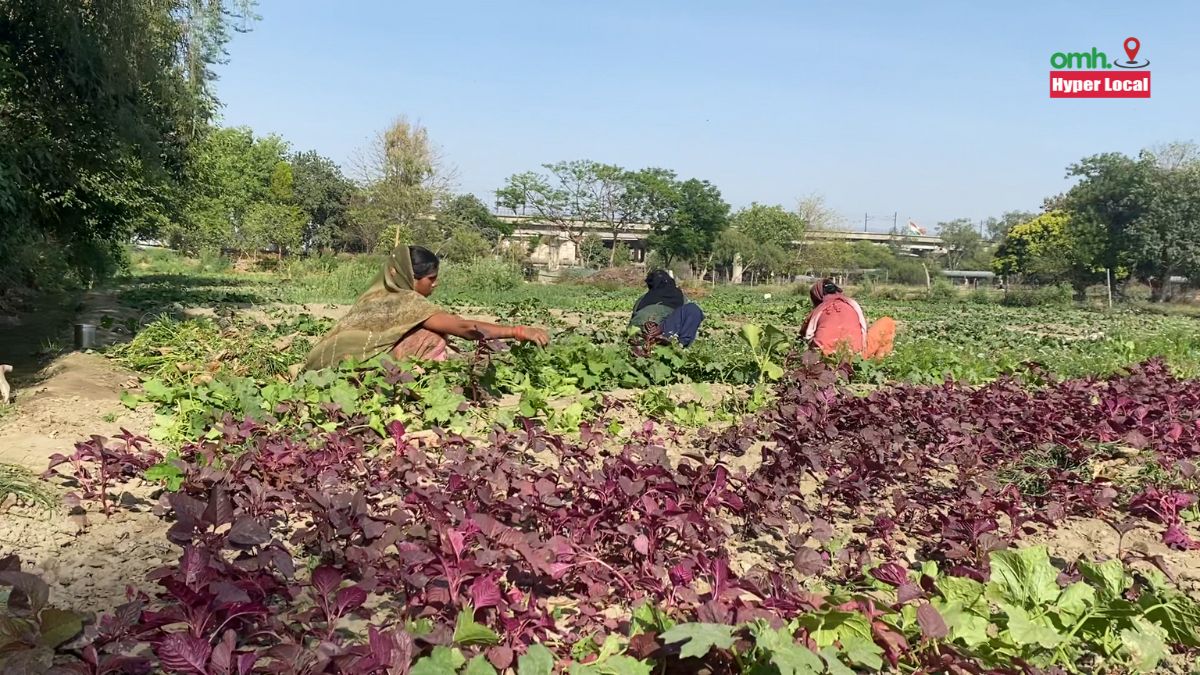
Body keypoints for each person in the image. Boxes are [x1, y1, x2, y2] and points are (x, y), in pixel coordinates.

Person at [303, 246, 549, 371]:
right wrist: (517, 331)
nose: (435, 283)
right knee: (431, 338)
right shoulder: (407, 301)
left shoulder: (376, 295)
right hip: (347, 370)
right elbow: (463, 328)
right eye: (430, 279)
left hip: (320, 366)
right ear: (412, 277)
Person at [799, 278, 894, 360]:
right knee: (887, 322)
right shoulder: (851, 304)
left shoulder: (817, 311)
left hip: (821, 357)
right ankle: (877, 361)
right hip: (854, 357)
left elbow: (803, 335)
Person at [629, 269, 705, 347]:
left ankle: (646, 344)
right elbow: (692, 315)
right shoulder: (679, 296)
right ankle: (681, 345)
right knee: (693, 309)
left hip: (639, 334)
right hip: (661, 333)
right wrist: (660, 328)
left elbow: (633, 319)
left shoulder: (642, 299)